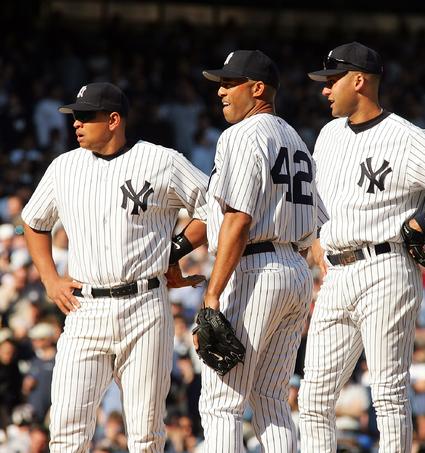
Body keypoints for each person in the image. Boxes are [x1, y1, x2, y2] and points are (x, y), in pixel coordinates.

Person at [299, 42, 425, 452]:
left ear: (358, 81)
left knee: (389, 393)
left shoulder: (407, 138)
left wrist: (423, 221)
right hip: (338, 272)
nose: (324, 89)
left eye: (331, 80)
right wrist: (321, 239)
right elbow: (320, 202)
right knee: (312, 397)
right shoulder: (327, 135)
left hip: (387, 267)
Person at [21, 82, 208, 452]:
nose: (76, 123)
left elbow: (212, 207)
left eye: (85, 116)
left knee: (145, 432)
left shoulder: (160, 160)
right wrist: (49, 278)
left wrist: (173, 252)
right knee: (66, 427)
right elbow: (34, 221)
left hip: (145, 305)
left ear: (113, 120)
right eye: (75, 116)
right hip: (85, 307)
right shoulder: (64, 167)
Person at [198, 50, 317, 452]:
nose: (221, 92)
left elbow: (239, 218)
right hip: (295, 271)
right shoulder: (296, 138)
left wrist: (212, 295)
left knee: (222, 403)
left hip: (253, 269)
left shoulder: (243, 134)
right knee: (270, 398)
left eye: (230, 83)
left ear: (258, 88)